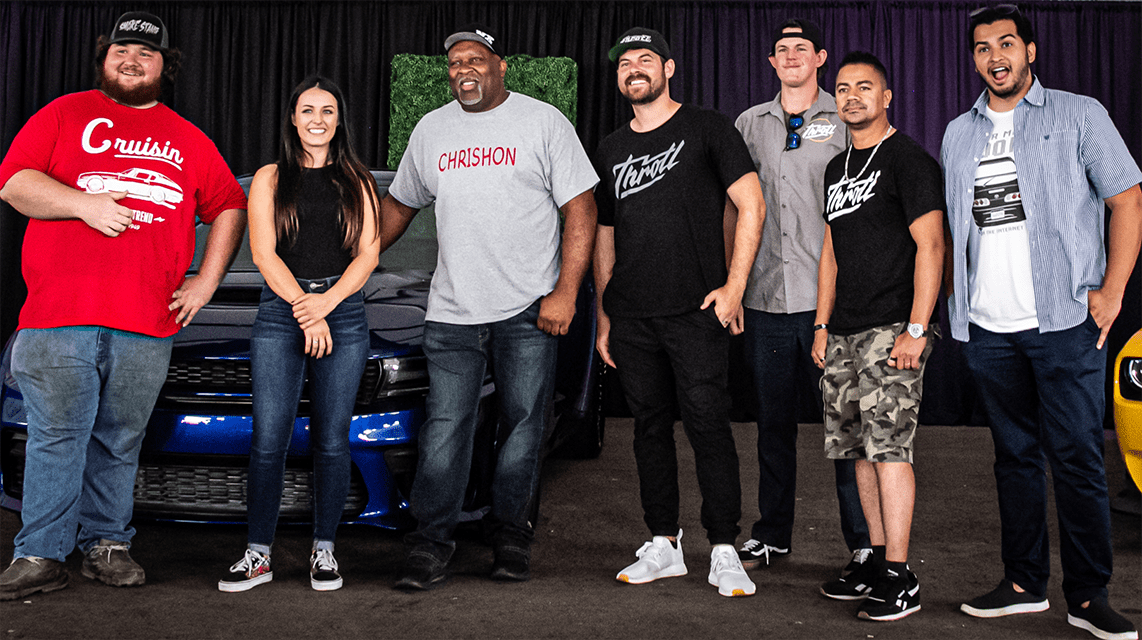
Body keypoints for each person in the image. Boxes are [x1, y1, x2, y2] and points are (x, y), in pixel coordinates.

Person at [0, 11, 246, 600]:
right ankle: (39, 553)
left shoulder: (187, 138)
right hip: (58, 315)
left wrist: (205, 283)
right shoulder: (63, 114)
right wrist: (84, 204)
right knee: (57, 435)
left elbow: (229, 206)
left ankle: (107, 544)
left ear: (166, 66)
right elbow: (14, 183)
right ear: (104, 58)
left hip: (146, 321)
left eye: (145, 53)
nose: (131, 60)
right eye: (120, 50)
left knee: (119, 438)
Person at [942, 6, 1142, 639]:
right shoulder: (957, 134)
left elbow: (1127, 198)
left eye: (1006, 44)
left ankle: (1088, 597)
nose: (994, 57)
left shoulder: (1080, 114)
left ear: (1029, 50)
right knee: (1014, 458)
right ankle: (1024, 584)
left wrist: (1111, 292)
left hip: (1061, 322)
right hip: (985, 327)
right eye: (981, 48)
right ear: (973, 59)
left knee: (1079, 459)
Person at [379, 24, 599, 590]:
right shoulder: (432, 130)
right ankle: (431, 544)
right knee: (446, 429)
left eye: (475, 59)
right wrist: (344, 268)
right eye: (454, 63)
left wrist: (566, 293)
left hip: (528, 310)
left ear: (501, 67)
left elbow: (582, 211)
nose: (463, 71)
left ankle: (510, 538)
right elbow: (397, 209)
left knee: (523, 427)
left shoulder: (543, 122)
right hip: (452, 313)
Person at [593, 27, 765, 598]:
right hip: (633, 316)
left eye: (645, 59)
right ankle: (664, 543)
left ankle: (723, 548)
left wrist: (734, 286)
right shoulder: (612, 147)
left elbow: (751, 204)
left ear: (669, 68)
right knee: (647, 430)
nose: (634, 69)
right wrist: (604, 314)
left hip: (697, 312)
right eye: (625, 64)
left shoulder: (708, 128)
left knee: (708, 426)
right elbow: (605, 234)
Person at [216, 76, 381, 593]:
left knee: (332, 440)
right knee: (269, 440)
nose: (317, 119)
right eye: (307, 110)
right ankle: (258, 553)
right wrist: (305, 311)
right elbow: (263, 253)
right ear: (292, 118)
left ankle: (324, 551)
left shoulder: (358, 178)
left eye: (327, 110)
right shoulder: (269, 177)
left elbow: (369, 254)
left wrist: (325, 306)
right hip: (279, 312)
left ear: (339, 120)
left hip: (344, 313)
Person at [731, 17, 871, 574]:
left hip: (827, 301)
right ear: (771, 62)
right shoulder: (748, 124)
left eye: (802, 49)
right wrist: (734, 284)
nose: (791, 56)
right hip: (766, 297)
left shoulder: (844, 118)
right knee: (772, 426)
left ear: (820, 58)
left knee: (843, 426)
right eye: (782, 49)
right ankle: (771, 535)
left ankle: (863, 541)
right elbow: (735, 207)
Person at [811, 51, 944, 621]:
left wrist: (916, 328)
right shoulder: (835, 169)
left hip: (892, 329)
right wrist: (821, 323)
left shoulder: (908, 160)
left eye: (865, 88)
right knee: (855, 450)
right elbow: (830, 254)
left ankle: (900, 572)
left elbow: (932, 247)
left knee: (889, 449)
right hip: (842, 332)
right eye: (843, 88)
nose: (852, 97)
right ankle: (872, 559)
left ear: (887, 97)